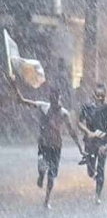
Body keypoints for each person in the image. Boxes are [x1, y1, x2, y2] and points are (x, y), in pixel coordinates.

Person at [10, 78, 85, 209]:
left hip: (56, 147)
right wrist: (14, 84)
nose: (54, 100)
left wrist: (80, 148)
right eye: (52, 97)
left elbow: (72, 132)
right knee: (42, 166)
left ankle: (47, 200)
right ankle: (40, 175)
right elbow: (21, 101)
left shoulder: (64, 114)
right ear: (50, 98)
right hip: (44, 145)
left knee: (52, 174)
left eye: (56, 97)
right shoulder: (43, 106)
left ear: (59, 98)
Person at [78, 83, 107, 205]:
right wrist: (88, 132)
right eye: (98, 95)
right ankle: (91, 168)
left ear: (105, 95)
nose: (100, 98)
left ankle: (97, 195)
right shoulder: (86, 108)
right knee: (90, 171)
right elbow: (79, 122)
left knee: (101, 168)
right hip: (90, 141)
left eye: (102, 95)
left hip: (104, 141)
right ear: (93, 95)